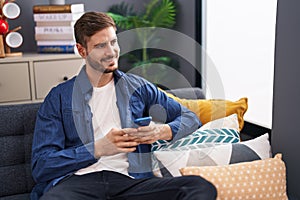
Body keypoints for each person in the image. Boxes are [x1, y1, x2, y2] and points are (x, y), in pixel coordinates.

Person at [31, 11, 217, 200]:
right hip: (78, 182)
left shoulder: (138, 87)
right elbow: (41, 166)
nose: (111, 52)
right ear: (82, 51)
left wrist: (160, 132)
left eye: (113, 42)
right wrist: (97, 148)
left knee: (198, 186)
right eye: (100, 46)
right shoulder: (59, 97)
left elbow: (190, 118)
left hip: (130, 182)